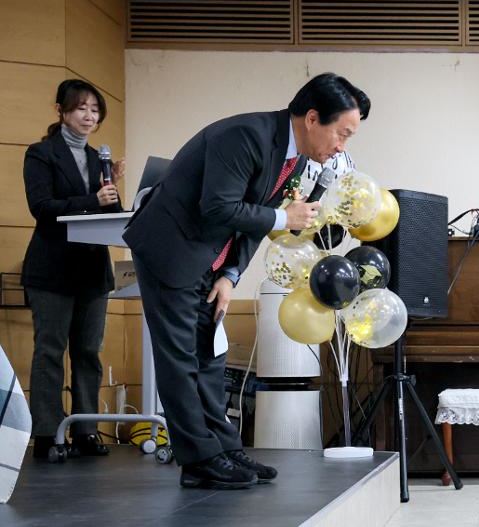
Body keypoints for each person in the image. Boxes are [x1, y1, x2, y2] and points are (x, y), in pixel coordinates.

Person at [124, 73, 369, 489]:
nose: (341, 147)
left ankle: (224, 448)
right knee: (180, 359)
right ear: (313, 118)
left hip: (210, 261)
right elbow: (219, 206)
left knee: (209, 357)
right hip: (172, 251)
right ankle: (199, 460)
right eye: (341, 134)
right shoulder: (245, 136)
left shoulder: (295, 159)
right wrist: (284, 217)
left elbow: (254, 221)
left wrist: (230, 274)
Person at [22, 80, 123, 461]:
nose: (89, 116)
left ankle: (85, 431)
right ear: (61, 111)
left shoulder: (99, 159)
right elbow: (41, 207)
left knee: (88, 352)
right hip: (52, 268)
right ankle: (48, 434)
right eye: (81, 108)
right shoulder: (41, 153)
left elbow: (109, 215)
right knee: (50, 352)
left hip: (92, 270)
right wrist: (92, 198)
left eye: (95, 110)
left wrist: (113, 188)